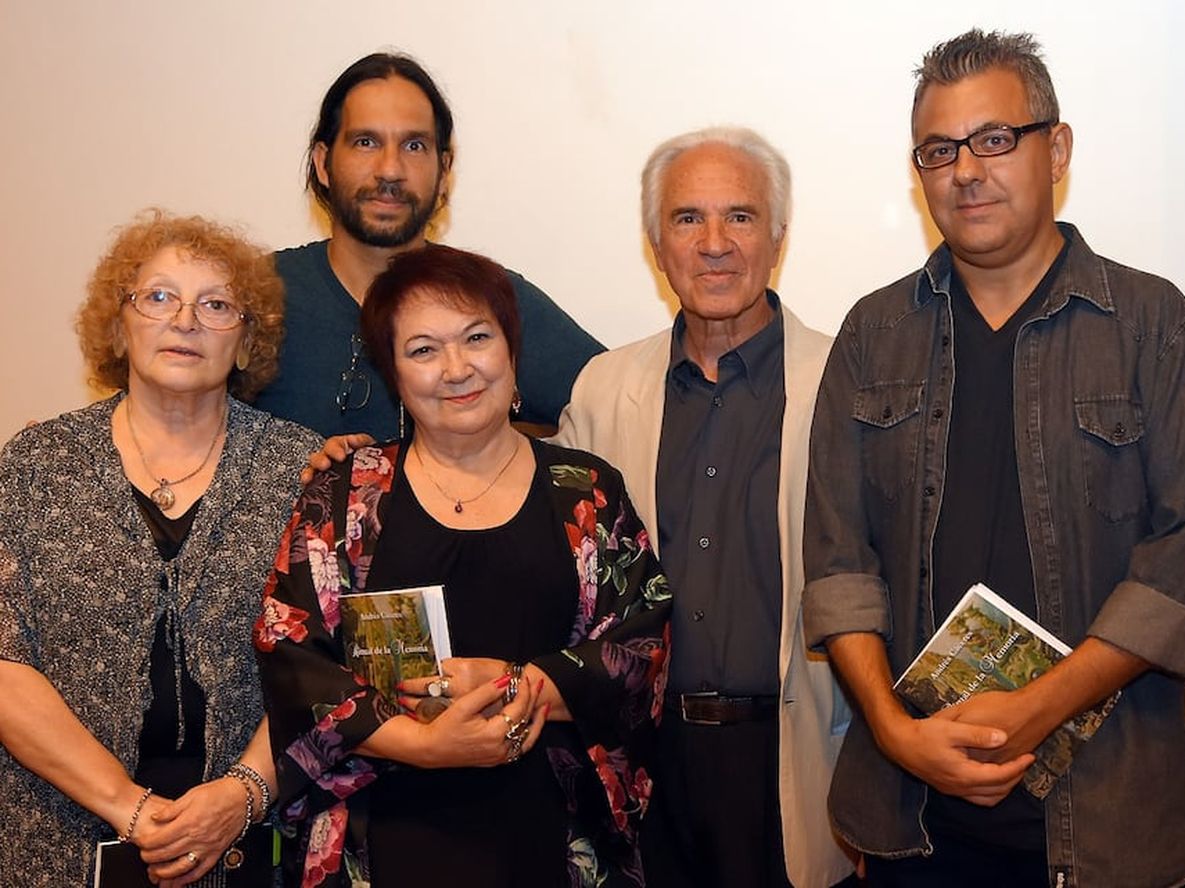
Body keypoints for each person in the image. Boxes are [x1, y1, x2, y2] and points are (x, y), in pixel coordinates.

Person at [802, 29, 1185, 888]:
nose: (965, 170)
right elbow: (837, 564)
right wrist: (897, 735)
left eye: (993, 139)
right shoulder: (871, 334)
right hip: (912, 819)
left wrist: (1037, 707)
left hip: (1111, 821)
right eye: (938, 150)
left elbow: (1178, 557)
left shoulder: (1153, 324)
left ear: (1057, 149)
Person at [255, 243, 671, 887]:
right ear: (393, 371)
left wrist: (522, 683)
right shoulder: (346, 495)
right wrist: (426, 745)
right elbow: (291, 655)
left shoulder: (585, 488)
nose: (457, 368)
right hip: (384, 837)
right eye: (423, 349)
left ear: (511, 347)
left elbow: (642, 644)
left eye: (477, 337)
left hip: (553, 837)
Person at [554, 127, 854, 888]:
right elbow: (562, 573)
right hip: (646, 762)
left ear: (778, 236)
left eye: (740, 217)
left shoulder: (849, 382)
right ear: (657, 242)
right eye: (688, 218)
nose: (714, 243)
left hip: (797, 756)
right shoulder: (600, 388)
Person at [0, 210, 323, 886]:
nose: (185, 321)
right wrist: (131, 808)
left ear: (244, 344)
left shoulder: (301, 470)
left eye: (216, 305)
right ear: (120, 327)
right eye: (158, 297)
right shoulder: (35, 464)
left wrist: (243, 795)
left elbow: (326, 663)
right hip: (58, 843)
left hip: (254, 847)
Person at [254, 51, 604, 438]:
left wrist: (506, 453)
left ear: (444, 171)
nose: (390, 169)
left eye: (414, 146)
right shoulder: (259, 294)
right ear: (323, 163)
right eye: (366, 142)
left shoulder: (489, 298)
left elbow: (617, 412)